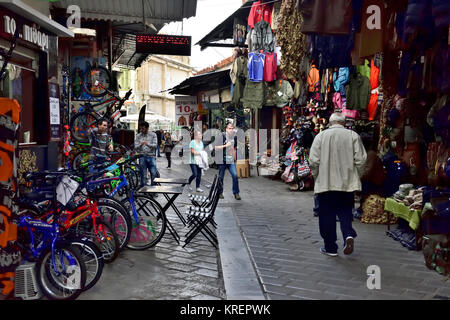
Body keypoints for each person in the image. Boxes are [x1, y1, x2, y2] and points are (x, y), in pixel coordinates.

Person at [309, 112, 367, 256]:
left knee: (326, 215)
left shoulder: (320, 136)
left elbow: (313, 161)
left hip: (326, 183)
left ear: (330, 123)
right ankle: (348, 234)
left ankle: (330, 247)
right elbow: (361, 160)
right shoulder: (353, 136)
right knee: (345, 211)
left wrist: (317, 176)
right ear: (344, 123)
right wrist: (356, 176)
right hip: (346, 183)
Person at [215, 122, 241, 200]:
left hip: (230, 160)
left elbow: (235, 148)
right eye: (229, 128)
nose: (231, 130)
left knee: (235, 175)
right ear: (226, 129)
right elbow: (215, 147)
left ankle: (236, 193)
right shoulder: (221, 136)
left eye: (232, 128)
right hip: (222, 160)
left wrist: (235, 157)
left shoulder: (235, 138)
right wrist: (225, 146)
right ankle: (220, 193)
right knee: (220, 177)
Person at [135, 122, 158, 187]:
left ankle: (154, 189)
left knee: (153, 173)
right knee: (143, 174)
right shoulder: (138, 136)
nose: (141, 130)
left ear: (147, 128)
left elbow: (155, 145)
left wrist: (147, 143)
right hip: (142, 156)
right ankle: (144, 190)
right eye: (141, 129)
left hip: (151, 156)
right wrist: (140, 144)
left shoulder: (153, 135)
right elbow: (135, 147)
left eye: (143, 128)